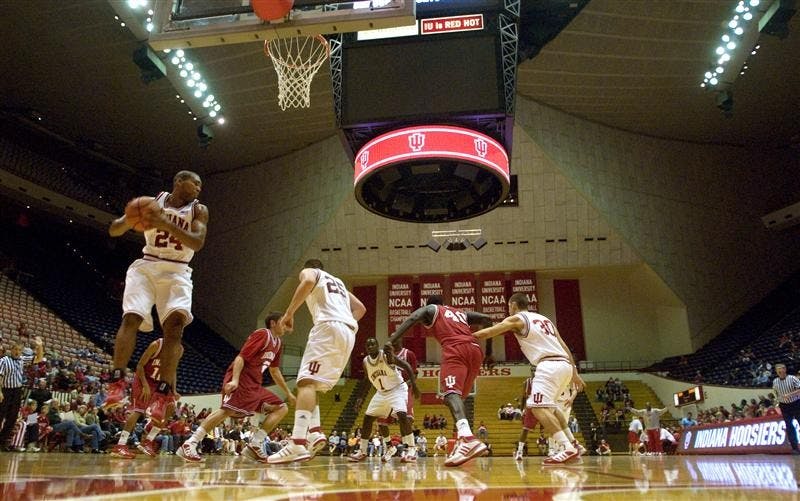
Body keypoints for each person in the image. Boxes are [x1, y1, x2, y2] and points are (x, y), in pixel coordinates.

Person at [104, 171, 208, 413]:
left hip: (178, 271)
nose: (198, 188)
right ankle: (116, 382)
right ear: (179, 182)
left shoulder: (199, 210)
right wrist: (131, 218)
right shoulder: (151, 203)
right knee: (131, 317)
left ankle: (163, 394)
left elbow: (197, 242)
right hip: (147, 265)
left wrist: (164, 223)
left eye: (200, 185)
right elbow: (114, 230)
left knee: (174, 329)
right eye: (195, 183)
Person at [267, 259, 365, 464]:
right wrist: (345, 321)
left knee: (304, 383)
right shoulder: (338, 283)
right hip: (348, 332)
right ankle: (315, 431)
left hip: (328, 327)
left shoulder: (310, 272)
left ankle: (297, 442)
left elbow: (308, 281)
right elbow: (361, 309)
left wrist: (289, 313)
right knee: (313, 384)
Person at [473, 293, 584, 465]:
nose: (508, 310)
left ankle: (567, 447)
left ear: (513, 305)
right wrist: (575, 372)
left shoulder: (517, 319)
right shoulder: (545, 320)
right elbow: (563, 345)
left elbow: (490, 331)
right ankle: (574, 444)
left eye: (509, 306)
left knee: (536, 408)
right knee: (551, 409)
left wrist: (465, 338)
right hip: (565, 365)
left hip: (548, 366)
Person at [385, 295, 492, 467]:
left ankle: (468, 438)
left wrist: (391, 340)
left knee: (450, 395)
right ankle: (461, 444)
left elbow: (413, 317)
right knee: (458, 399)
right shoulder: (461, 313)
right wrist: (490, 352)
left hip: (455, 349)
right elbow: (487, 319)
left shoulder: (432, 309)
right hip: (475, 350)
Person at [177, 312, 295, 462]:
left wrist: (288, 392)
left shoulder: (278, 344)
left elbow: (274, 370)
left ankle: (255, 444)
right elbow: (241, 357)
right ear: (273, 323)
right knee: (227, 410)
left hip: (255, 384)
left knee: (281, 407)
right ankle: (190, 443)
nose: (286, 327)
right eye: (283, 323)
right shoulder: (263, 334)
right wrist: (235, 380)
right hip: (242, 378)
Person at [348, 338, 420, 463]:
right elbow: (366, 380)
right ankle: (362, 451)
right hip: (381, 392)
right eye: (368, 345)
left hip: (397, 389)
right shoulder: (366, 361)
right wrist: (360, 398)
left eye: (373, 344)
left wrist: (414, 385)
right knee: (367, 418)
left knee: (402, 415)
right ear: (366, 348)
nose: (370, 346)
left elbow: (407, 366)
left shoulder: (386, 356)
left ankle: (412, 449)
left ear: (377, 345)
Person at [110, 337, 184, 459]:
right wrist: (145, 386)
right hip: (143, 379)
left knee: (170, 407)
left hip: (160, 382)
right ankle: (120, 445)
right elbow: (139, 366)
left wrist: (174, 389)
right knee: (138, 411)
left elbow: (172, 371)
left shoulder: (179, 349)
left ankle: (149, 441)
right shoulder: (156, 345)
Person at [0, 338, 43, 451]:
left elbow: (38, 358)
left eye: (19, 350)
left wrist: (40, 346)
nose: (17, 352)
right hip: (5, 391)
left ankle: (2, 442)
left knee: (12, 418)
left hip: (17, 391)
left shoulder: (22, 360)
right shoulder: (4, 361)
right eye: (15, 349)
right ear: (11, 349)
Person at [377, 338, 418, 442]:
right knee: (381, 421)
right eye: (391, 339)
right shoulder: (384, 356)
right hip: (388, 388)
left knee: (406, 418)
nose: (393, 340)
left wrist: (407, 385)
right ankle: (388, 446)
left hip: (404, 388)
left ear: (400, 340)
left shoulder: (408, 354)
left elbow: (414, 373)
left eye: (395, 338)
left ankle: (407, 446)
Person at [772, 363, 800, 454]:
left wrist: (790, 394)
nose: (780, 371)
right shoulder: (775, 381)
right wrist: (777, 404)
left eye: (781, 369)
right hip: (784, 406)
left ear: (785, 369)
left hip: (796, 403)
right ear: (776, 371)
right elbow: (776, 393)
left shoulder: (792, 378)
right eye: (778, 370)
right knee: (789, 426)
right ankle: (795, 448)